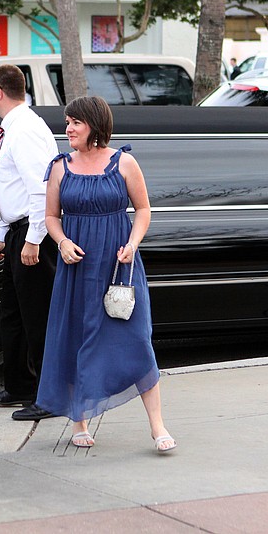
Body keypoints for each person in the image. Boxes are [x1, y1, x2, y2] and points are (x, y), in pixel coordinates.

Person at [36, 96, 176, 453]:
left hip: (119, 266)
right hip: (77, 267)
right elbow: (51, 216)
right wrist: (62, 241)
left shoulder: (124, 162)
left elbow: (143, 209)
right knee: (76, 337)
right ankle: (79, 421)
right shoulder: (60, 166)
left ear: (94, 125)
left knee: (136, 340)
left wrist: (133, 243)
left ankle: (157, 425)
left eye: (76, 123)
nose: (68, 129)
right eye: (68, 122)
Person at [0, 64, 59, 421]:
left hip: (32, 234)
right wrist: (2, 236)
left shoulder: (25, 130)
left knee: (37, 317)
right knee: (13, 313)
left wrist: (33, 240)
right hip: (17, 231)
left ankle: (49, 396)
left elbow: (41, 190)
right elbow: (10, 189)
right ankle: (19, 385)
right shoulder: (14, 128)